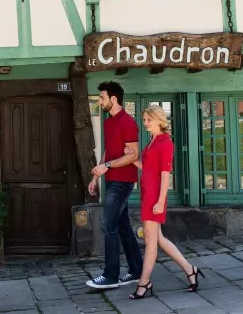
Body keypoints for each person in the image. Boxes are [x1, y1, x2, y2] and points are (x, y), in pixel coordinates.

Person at [125, 105, 203, 299]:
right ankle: (190, 270)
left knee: (150, 241)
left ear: (159, 119)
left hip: (155, 197)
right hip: (147, 195)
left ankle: (144, 283)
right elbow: (147, 167)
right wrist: (131, 157)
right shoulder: (152, 141)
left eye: (148, 120)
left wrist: (160, 202)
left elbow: (165, 176)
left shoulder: (165, 142)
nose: (145, 123)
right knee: (158, 239)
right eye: (144, 120)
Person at [86, 81, 143, 290]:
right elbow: (108, 151)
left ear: (113, 98)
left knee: (108, 225)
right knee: (123, 226)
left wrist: (107, 166)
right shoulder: (109, 123)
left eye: (102, 98)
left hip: (123, 181)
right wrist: (97, 175)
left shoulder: (127, 122)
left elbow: (133, 155)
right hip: (112, 179)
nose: (100, 102)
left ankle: (110, 276)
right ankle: (137, 270)